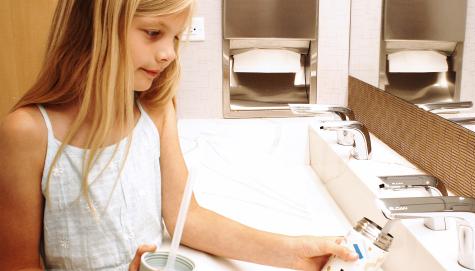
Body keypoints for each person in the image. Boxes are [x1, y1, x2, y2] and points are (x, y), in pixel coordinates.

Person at [0, 0, 358, 270]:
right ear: (96, 27)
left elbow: (188, 218)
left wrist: (294, 253)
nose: (169, 53)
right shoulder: (27, 133)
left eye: (175, 37)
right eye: (153, 33)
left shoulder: (154, 112)